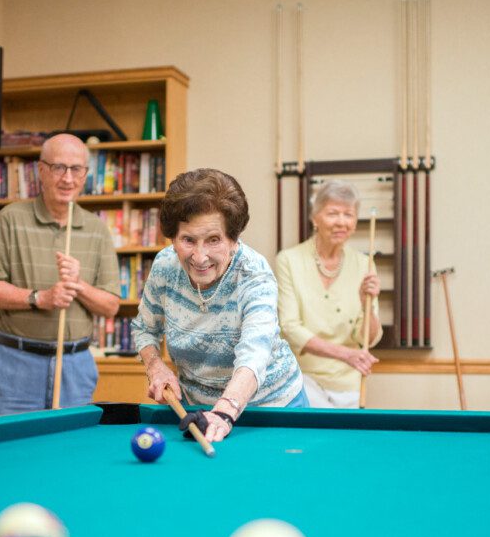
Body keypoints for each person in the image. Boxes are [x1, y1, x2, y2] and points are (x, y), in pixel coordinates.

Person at [132, 168, 305, 443]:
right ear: (173, 238)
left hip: (272, 408)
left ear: (234, 240)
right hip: (198, 409)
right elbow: (144, 327)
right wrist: (156, 365)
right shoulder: (165, 266)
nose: (200, 257)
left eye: (214, 240)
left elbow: (255, 353)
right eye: (188, 240)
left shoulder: (254, 275)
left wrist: (226, 410)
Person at [0, 133, 120, 415]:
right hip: (17, 363)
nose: (68, 179)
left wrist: (78, 285)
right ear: (41, 170)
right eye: (58, 168)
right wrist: (41, 298)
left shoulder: (96, 229)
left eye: (76, 169)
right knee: (14, 453)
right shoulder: (10, 218)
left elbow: (111, 305)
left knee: (68, 455)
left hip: (75, 366)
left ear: (86, 174)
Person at [275, 179, 383, 408]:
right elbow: (290, 327)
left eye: (348, 214)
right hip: (301, 379)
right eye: (333, 213)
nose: (341, 222)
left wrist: (366, 307)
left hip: (350, 384)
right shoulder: (289, 260)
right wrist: (346, 354)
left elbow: (368, 338)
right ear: (315, 218)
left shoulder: (365, 265)